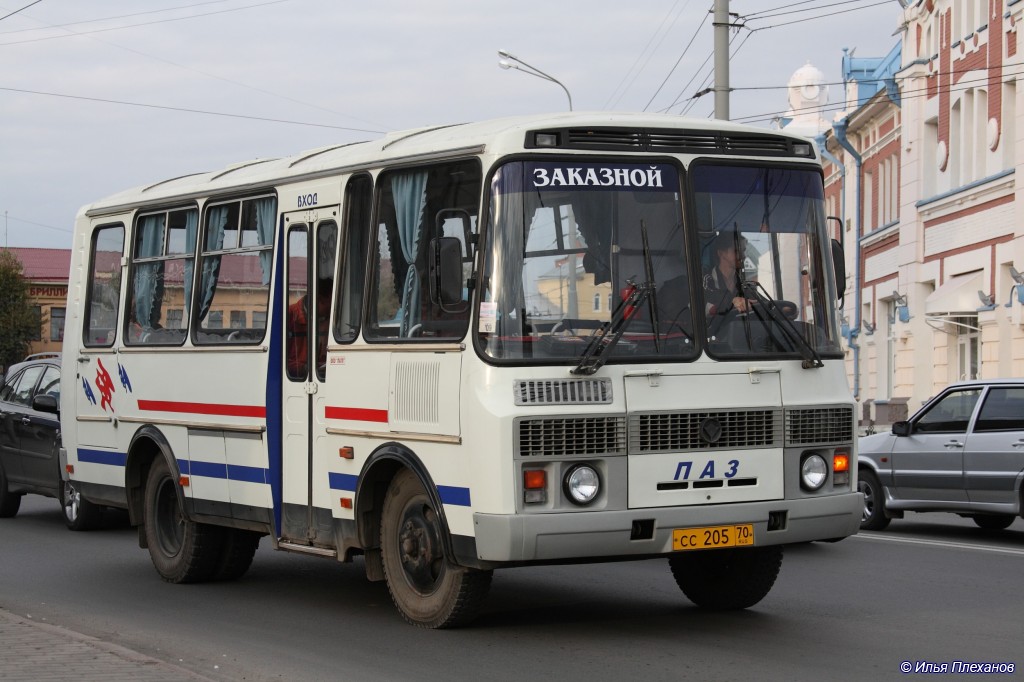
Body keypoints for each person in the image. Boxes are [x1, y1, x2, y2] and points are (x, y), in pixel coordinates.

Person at [286, 278, 331, 378]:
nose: (331, 311)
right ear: (319, 300)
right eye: (330, 306)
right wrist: (305, 368)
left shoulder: (330, 321)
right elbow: (279, 361)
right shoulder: (288, 316)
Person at [703, 231, 754, 318]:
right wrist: (733, 300)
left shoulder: (743, 283)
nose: (743, 255)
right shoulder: (707, 280)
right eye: (737, 250)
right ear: (721, 253)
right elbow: (710, 296)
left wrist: (782, 309)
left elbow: (761, 303)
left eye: (743, 250)